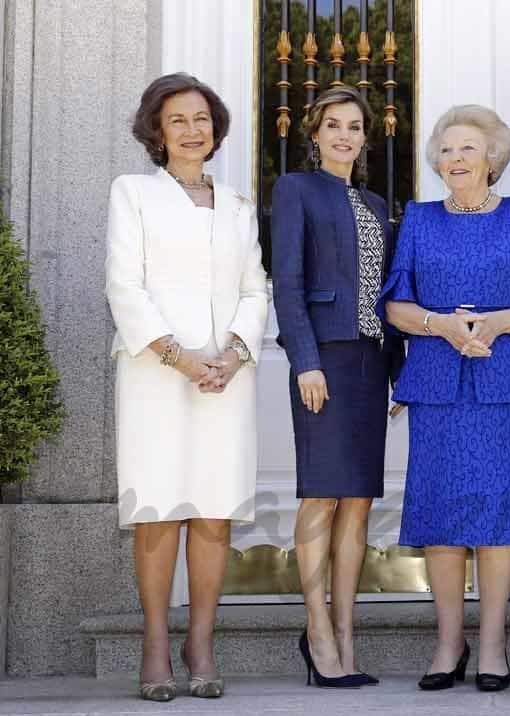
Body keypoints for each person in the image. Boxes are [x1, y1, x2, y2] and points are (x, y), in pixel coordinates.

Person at [379, 104, 510, 693]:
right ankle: (449, 643)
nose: (456, 159)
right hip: (438, 386)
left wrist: (500, 322)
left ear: (493, 158)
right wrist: (441, 326)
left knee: (497, 515)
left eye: (468, 148)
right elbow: (394, 305)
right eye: (446, 150)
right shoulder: (419, 218)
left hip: (502, 384)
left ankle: (493, 644)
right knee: (441, 515)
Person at [106, 73, 268, 701]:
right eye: (178, 120)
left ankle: (200, 642)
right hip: (156, 373)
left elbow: (256, 288)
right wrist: (179, 358)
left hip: (226, 378)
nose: (192, 130)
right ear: (156, 130)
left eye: (202, 119)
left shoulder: (236, 205)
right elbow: (125, 285)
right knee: (158, 509)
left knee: (214, 508)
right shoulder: (133, 194)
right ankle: (155, 643)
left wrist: (231, 355)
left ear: (216, 128)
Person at [271, 85, 403, 688]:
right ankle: (316, 630)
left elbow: (390, 294)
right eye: (333, 126)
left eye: (354, 127)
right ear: (314, 134)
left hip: (370, 364)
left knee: (358, 501)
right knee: (320, 495)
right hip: (323, 360)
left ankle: (348, 633)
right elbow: (289, 284)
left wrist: (399, 371)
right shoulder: (296, 190)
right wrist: (305, 361)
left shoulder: (376, 203)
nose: (344, 136)